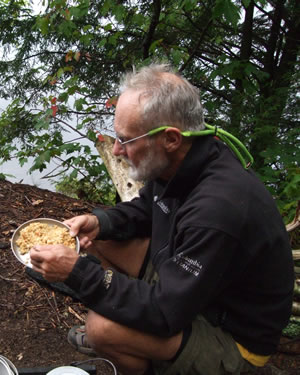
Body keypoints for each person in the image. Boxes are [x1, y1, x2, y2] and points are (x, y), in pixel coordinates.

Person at [29, 63, 294, 375]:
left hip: (232, 336)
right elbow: (145, 210)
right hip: (193, 289)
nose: (115, 150)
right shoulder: (183, 160)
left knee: (101, 328)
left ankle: (134, 354)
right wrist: (99, 222)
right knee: (98, 239)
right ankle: (135, 343)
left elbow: (166, 312)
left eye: (125, 139)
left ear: (170, 138)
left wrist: (79, 273)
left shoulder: (217, 208)